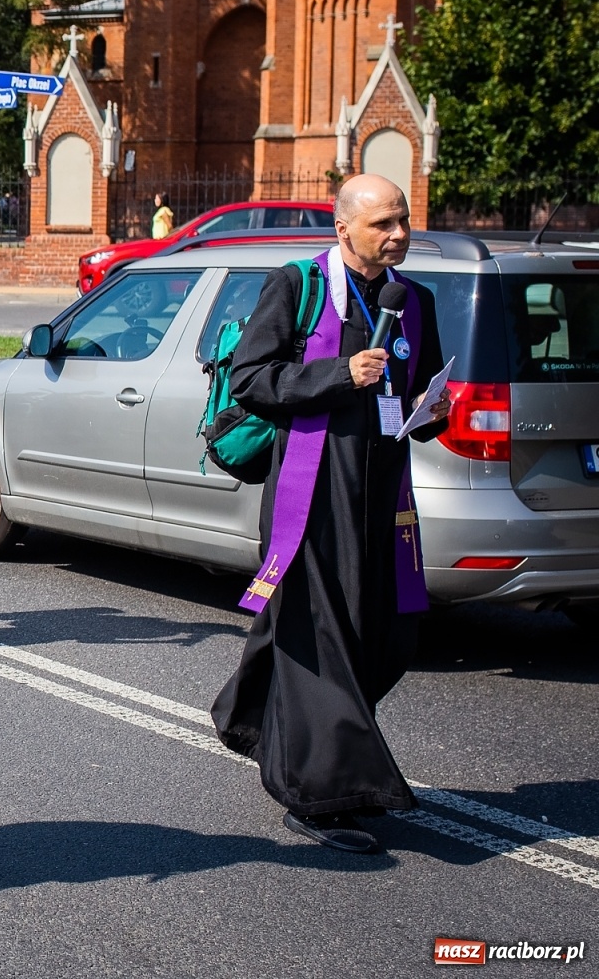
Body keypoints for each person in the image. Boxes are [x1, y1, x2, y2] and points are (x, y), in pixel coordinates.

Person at [210, 174, 451, 855]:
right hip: (313, 494)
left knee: (391, 636)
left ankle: (253, 716)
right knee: (323, 640)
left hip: (384, 496)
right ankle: (319, 793)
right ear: (344, 230)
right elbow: (253, 379)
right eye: (383, 225)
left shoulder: (415, 301)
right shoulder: (298, 285)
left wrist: (435, 412)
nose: (399, 234)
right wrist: (338, 374)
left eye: (403, 221)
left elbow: (418, 393)